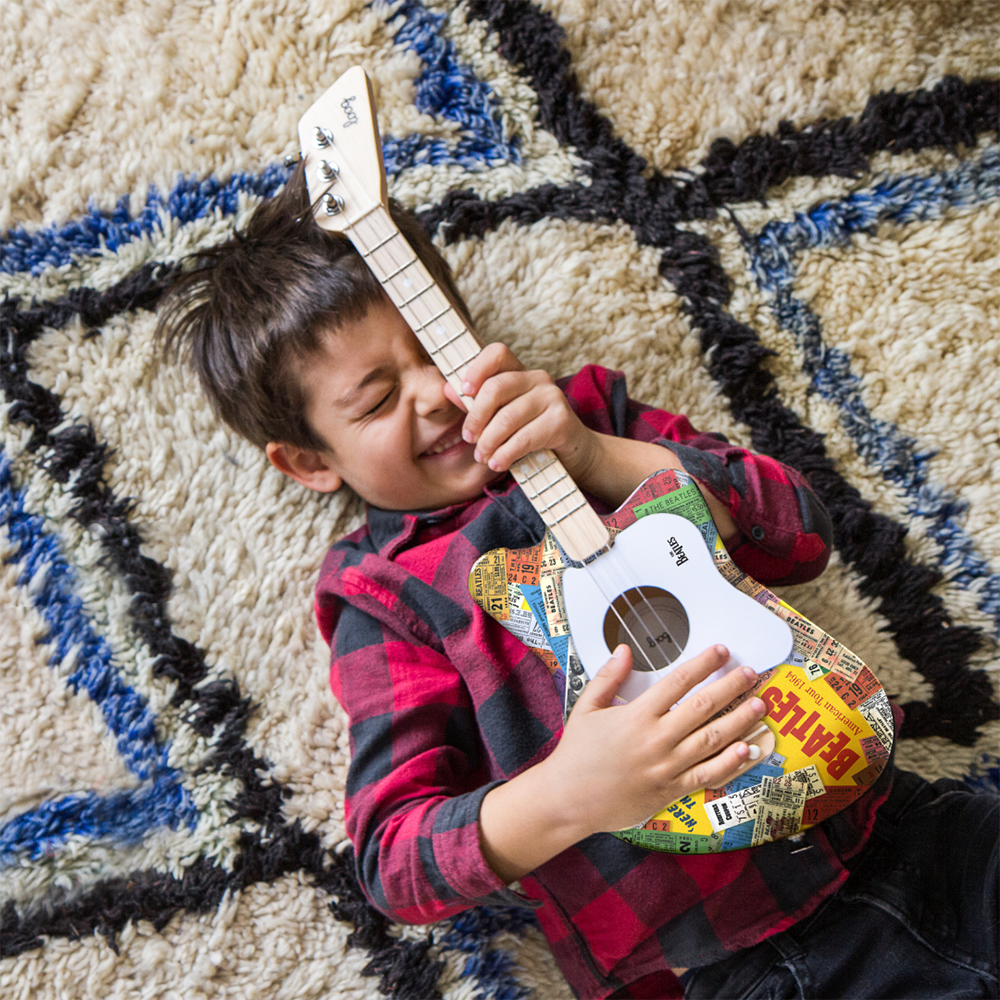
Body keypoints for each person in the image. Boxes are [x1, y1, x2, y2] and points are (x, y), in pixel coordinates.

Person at [157, 162, 1000, 1000]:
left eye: (437, 344)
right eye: (377, 401)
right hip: (742, 965)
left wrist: (598, 456)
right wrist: (573, 792)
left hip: (907, 828)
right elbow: (397, 862)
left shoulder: (591, 414)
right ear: (309, 461)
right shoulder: (384, 593)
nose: (438, 395)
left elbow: (802, 531)